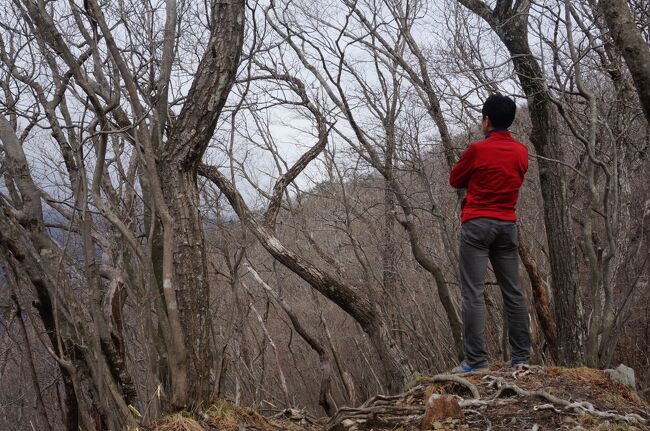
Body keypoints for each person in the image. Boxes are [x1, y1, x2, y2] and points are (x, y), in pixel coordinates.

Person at [449, 94, 531, 373]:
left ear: (487, 120)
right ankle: (520, 358)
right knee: (514, 292)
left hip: (477, 226)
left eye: (482, 118)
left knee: (472, 293)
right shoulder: (522, 152)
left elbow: (455, 179)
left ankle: (476, 361)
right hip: (507, 226)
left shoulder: (477, 150)